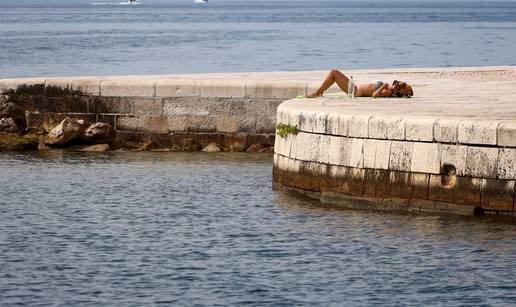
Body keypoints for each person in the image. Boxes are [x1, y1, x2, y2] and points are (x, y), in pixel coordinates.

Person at [306, 69, 413, 98]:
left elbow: (374, 95)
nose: (397, 83)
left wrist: (384, 85)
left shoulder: (389, 92)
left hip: (355, 92)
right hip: (355, 88)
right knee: (334, 74)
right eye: (398, 82)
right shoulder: (390, 88)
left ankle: (317, 92)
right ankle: (319, 91)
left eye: (399, 84)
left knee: (334, 73)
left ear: (399, 90)